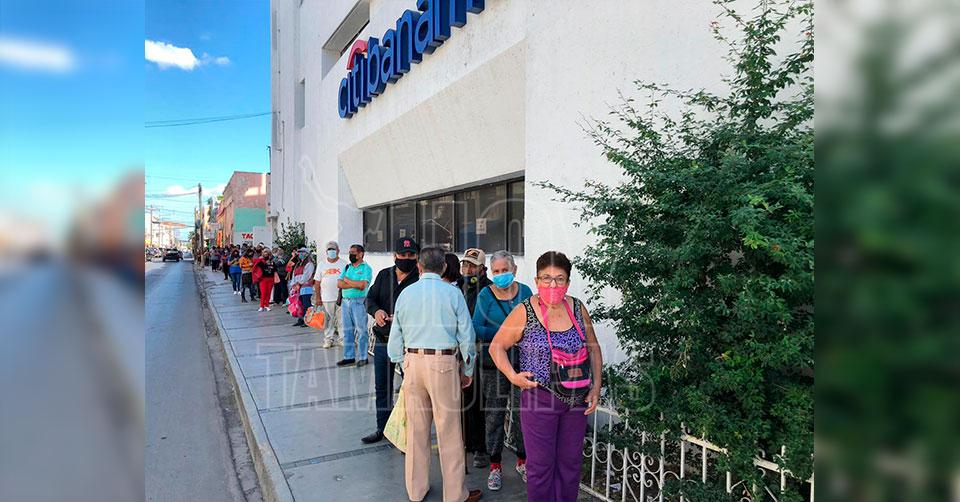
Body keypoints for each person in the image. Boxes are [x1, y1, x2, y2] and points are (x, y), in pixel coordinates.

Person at [489, 251, 603, 502]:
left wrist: (596, 387)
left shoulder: (577, 308)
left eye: (559, 279)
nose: (553, 285)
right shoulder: (525, 311)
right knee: (540, 468)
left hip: (577, 400)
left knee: (570, 465)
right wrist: (513, 377)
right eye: (546, 278)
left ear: (568, 282)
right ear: (537, 280)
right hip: (539, 398)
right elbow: (496, 347)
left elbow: (593, 347)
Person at [387, 247, 482, 502]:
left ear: (419, 266)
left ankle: (416, 491)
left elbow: (395, 337)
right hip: (443, 363)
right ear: (444, 267)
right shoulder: (452, 293)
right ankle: (455, 495)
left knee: (416, 431)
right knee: (449, 431)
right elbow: (467, 335)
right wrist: (468, 370)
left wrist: (403, 363)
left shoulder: (406, 293)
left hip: (412, 361)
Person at [472, 250, 533, 490]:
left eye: (504, 270)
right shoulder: (485, 295)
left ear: (514, 270)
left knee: (522, 414)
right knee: (495, 415)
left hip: (522, 364)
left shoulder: (526, 292)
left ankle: (523, 461)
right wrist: (505, 334)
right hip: (494, 365)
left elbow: (535, 321)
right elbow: (477, 327)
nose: (500, 275)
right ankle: (495, 465)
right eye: (496, 271)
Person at [360, 238, 420, 444]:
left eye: (411, 255)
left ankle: (408, 432)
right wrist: (376, 311)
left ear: (417, 257)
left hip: (408, 344)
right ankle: (383, 428)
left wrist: (403, 318)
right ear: (395, 256)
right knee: (382, 386)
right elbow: (370, 299)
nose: (406, 258)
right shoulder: (384, 275)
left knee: (410, 388)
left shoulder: (420, 279)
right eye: (403, 255)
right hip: (383, 340)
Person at [457, 247, 492, 467]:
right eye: (465, 264)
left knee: (479, 401)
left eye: (472, 265)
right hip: (459, 351)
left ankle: (481, 448)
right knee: (463, 400)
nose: (467, 269)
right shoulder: (457, 288)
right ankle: (467, 441)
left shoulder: (488, 290)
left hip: (480, 352)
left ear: (482, 268)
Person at [336, 244, 373, 367]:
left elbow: (362, 286)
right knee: (347, 330)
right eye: (350, 252)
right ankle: (349, 357)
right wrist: (353, 284)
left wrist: (347, 281)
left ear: (361, 254)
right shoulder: (348, 267)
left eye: (353, 252)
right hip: (345, 302)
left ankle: (363, 357)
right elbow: (339, 284)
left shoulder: (366, 268)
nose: (350, 254)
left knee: (361, 330)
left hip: (358, 302)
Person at [317, 241, 347, 349]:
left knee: (341, 319)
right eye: (329, 249)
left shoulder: (344, 264)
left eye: (333, 249)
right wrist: (318, 297)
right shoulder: (322, 264)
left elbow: (347, 280)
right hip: (326, 297)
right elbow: (317, 282)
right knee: (328, 320)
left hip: (341, 297)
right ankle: (328, 339)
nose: (331, 251)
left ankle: (342, 339)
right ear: (326, 252)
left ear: (338, 251)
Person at [290, 248, 315, 327]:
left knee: (306, 304)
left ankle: (307, 320)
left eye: (302, 252)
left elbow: (307, 275)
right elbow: (294, 275)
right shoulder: (298, 264)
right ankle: (301, 319)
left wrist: (299, 283)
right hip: (298, 287)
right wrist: (293, 284)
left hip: (306, 287)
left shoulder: (309, 264)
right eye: (299, 253)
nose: (300, 254)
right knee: (299, 304)